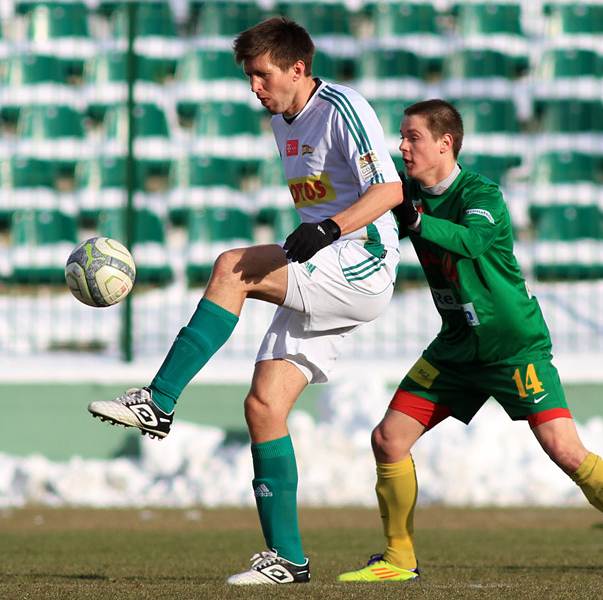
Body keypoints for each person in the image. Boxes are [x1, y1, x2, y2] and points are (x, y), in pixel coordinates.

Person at [88, 17, 402, 585]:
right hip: (324, 264)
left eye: (261, 75)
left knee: (231, 268)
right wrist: (320, 234)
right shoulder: (285, 122)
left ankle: (158, 400)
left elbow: (390, 189)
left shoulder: (342, 107)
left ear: (297, 69)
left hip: (361, 264)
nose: (254, 88)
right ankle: (288, 559)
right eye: (248, 78)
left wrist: (330, 231)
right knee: (262, 408)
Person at [337, 99, 603, 584]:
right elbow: (366, 177)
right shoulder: (404, 188)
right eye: (401, 136)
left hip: (512, 346)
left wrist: (414, 222)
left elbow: (473, 241)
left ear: (445, 143)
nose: (402, 146)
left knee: (565, 450)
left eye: (412, 137)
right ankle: (399, 558)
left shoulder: (482, 193)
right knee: (388, 439)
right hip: (457, 346)